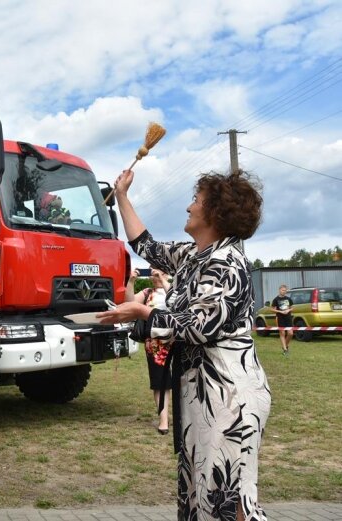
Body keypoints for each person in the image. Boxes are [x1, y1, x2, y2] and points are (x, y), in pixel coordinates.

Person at [97, 168, 271, 521]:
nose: (189, 207)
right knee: (201, 495)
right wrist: (123, 196)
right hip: (203, 395)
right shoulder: (195, 256)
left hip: (228, 397)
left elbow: (199, 326)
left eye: (197, 201)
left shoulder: (227, 264)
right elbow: (146, 245)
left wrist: (143, 312)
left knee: (227, 500)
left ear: (215, 214)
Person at [125, 268, 172, 435]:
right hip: (155, 343)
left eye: (161, 271)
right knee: (160, 382)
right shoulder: (147, 292)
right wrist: (131, 281)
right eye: (154, 271)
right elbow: (130, 302)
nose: (156, 275)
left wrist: (164, 281)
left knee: (184, 379)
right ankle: (164, 420)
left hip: (178, 340)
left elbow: (177, 301)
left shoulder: (175, 288)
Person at [272, 284, 293, 356]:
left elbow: (292, 307)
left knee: (290, 333)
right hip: (280, 318)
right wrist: (280, 312)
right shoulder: (276, 299)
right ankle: (285, 350)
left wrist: (288, 310)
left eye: (285, 290)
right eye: (283, 290)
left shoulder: (288, 299)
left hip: (288, 317)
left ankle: (285, 346)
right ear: (279, 290)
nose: (284, 292)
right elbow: (272, 310)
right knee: (282, 333)